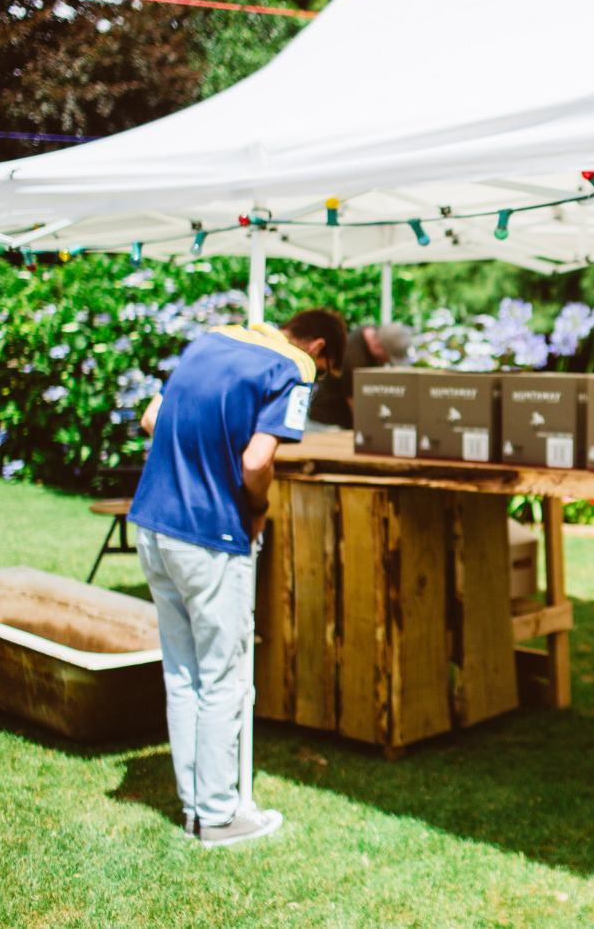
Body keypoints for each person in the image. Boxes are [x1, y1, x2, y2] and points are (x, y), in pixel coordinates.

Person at [130, 309, 347, 848]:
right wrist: (258, 509)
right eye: (326, 370)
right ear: (319, 348)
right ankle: (219, 816)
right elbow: (256, 461)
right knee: (223, 676)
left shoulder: (212, 340)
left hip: (152, 523)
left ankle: (195, 807)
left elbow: (152, 418)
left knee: (183, 674)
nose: (319, 378)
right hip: (210, 534)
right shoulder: (294, 368)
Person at [306, 321, 412, 430]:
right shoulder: (353, 359)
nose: (387, 362)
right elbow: (356, 406)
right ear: (378, 346)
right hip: (328, 423)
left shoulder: (372, 332)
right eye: (388, 358)